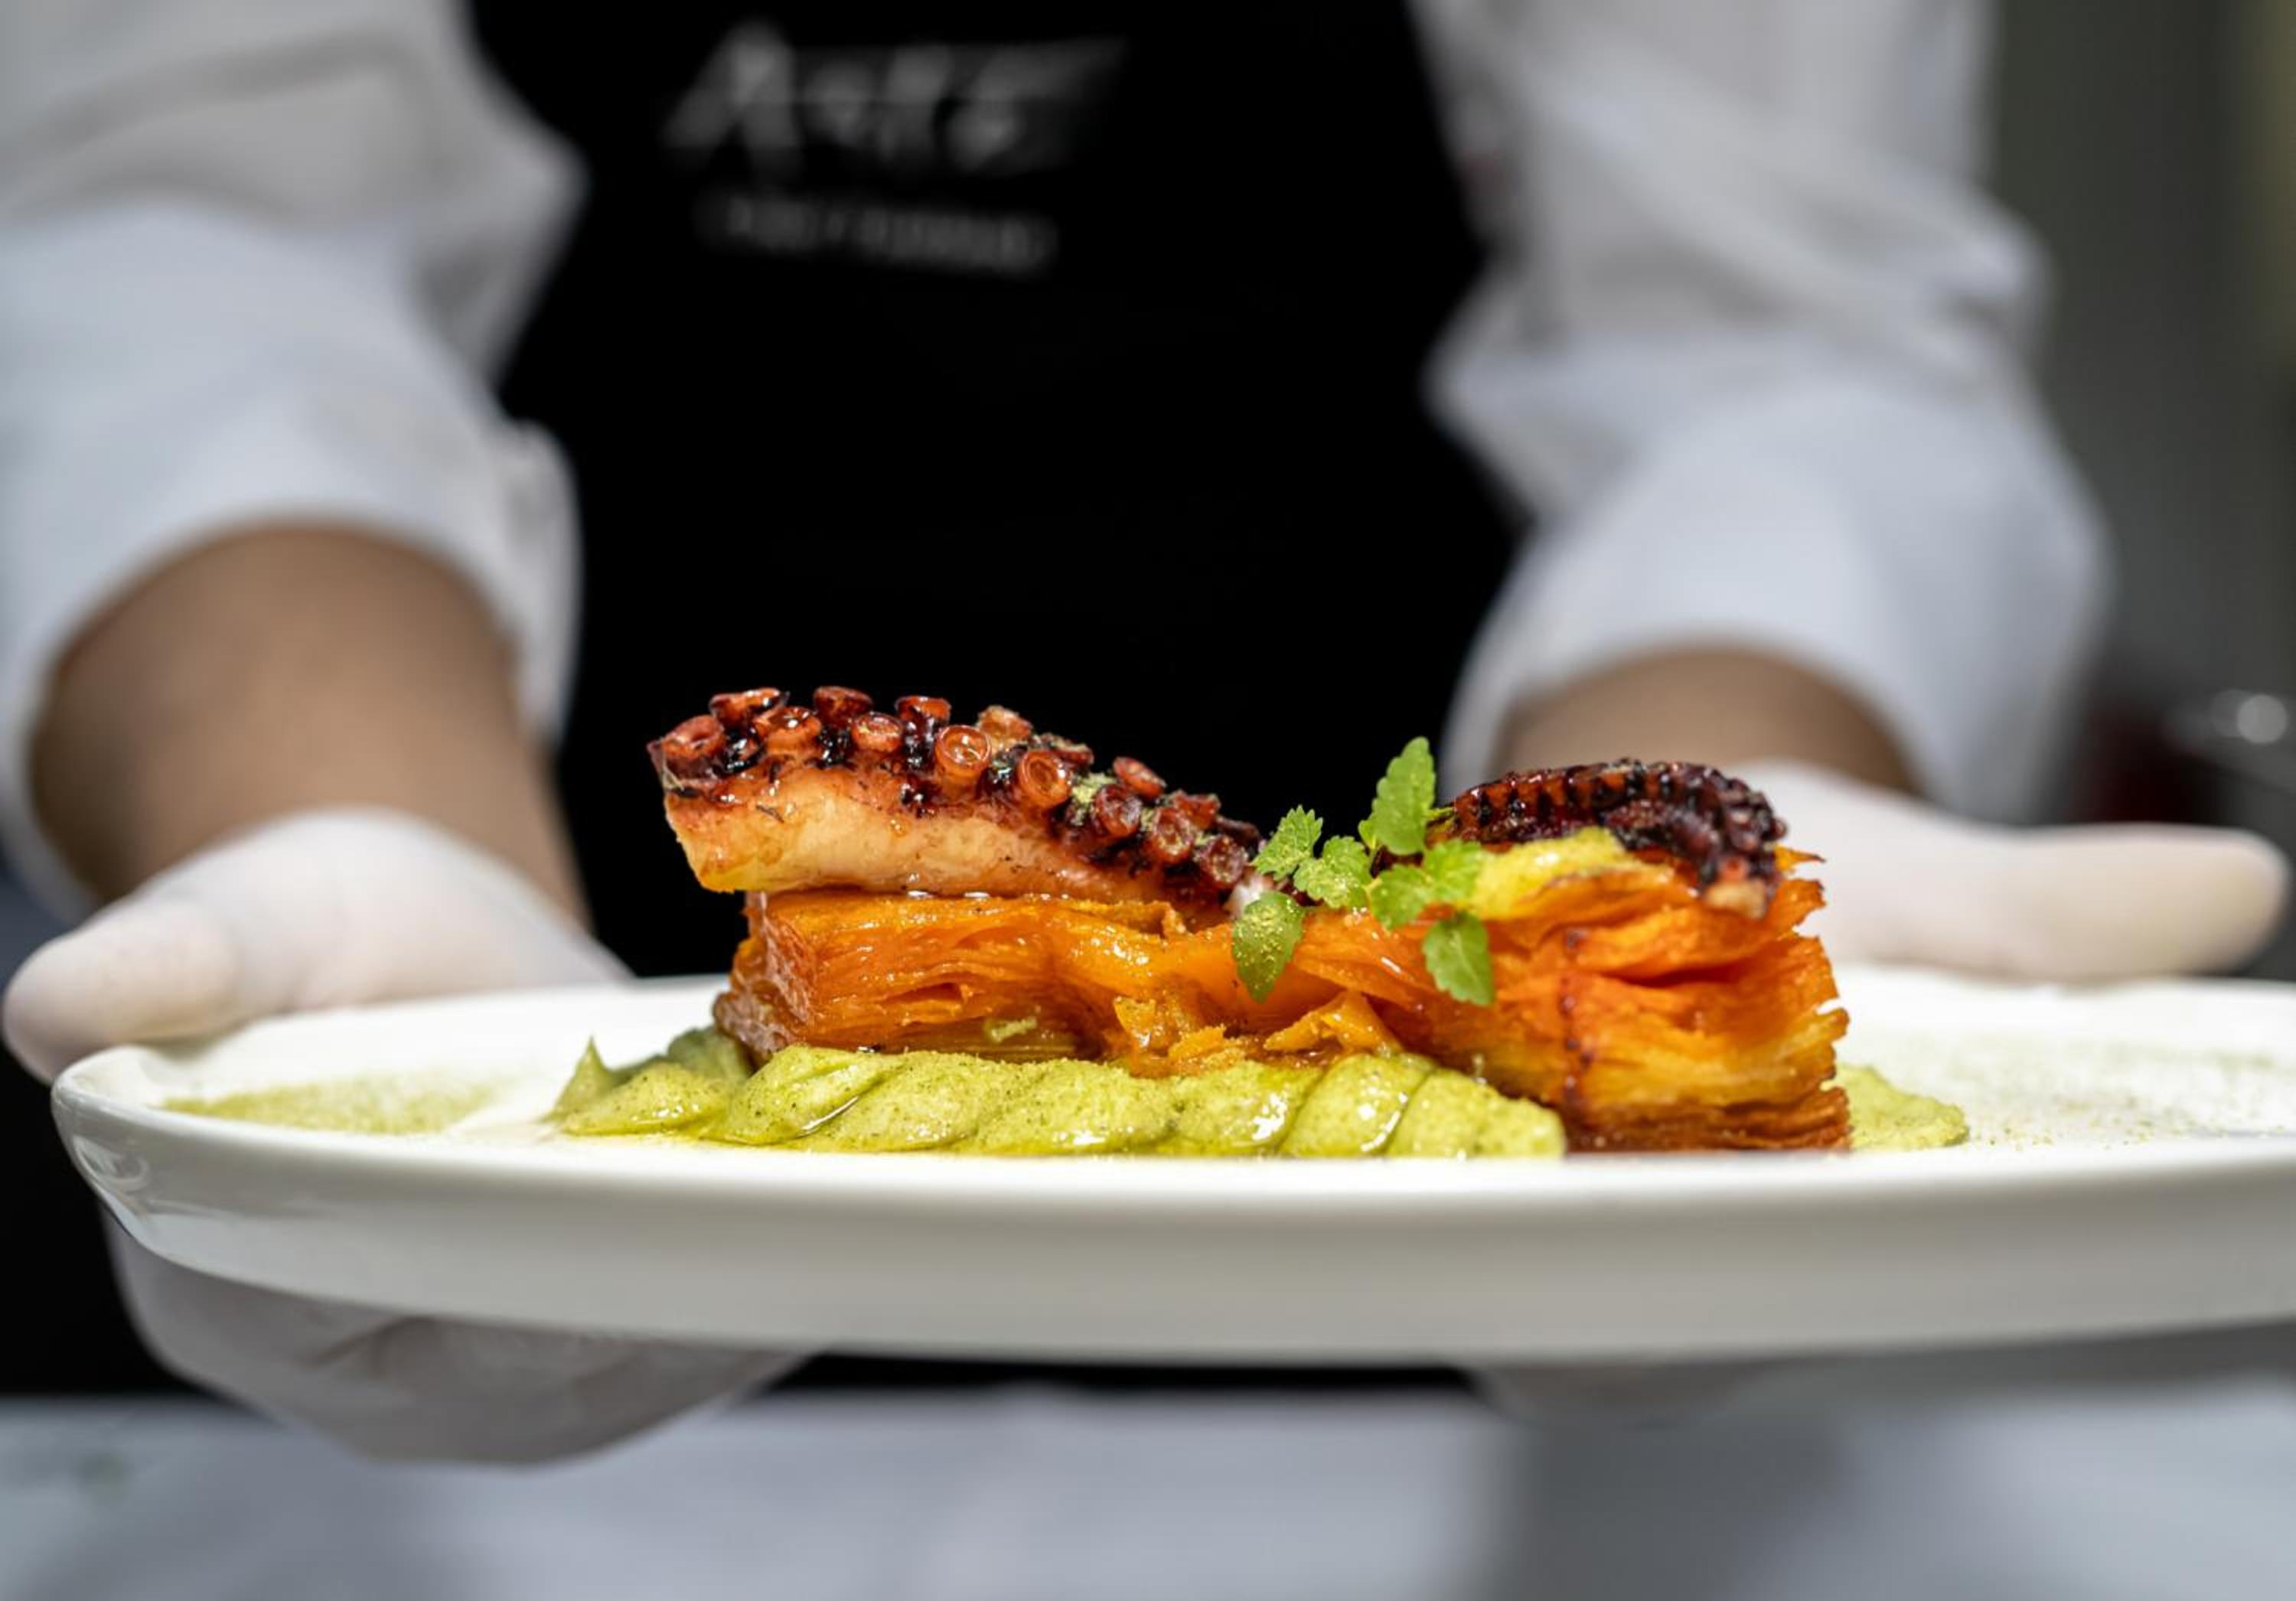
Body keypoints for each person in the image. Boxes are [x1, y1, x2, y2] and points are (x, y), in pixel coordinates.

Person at [0, 0, 2288, 1584]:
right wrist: (344, 832)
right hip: (528, 1056)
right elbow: (175, 220)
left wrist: (1703, 870)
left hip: (1480, 1337)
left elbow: (1769, 324)